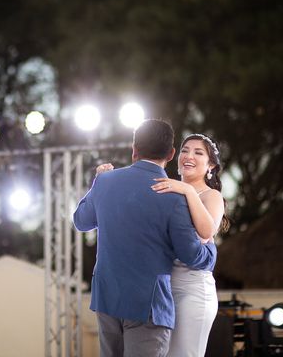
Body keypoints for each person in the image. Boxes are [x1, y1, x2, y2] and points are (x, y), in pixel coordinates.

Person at [73, 119, 217, 357]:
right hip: (147, 305)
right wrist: (210, 250)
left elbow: (81, 221)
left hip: (107, 297)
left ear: (134, 149)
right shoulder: (173, 196)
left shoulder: (105, 181)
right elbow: (192, 255)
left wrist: (97, 183)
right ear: (171, 154)